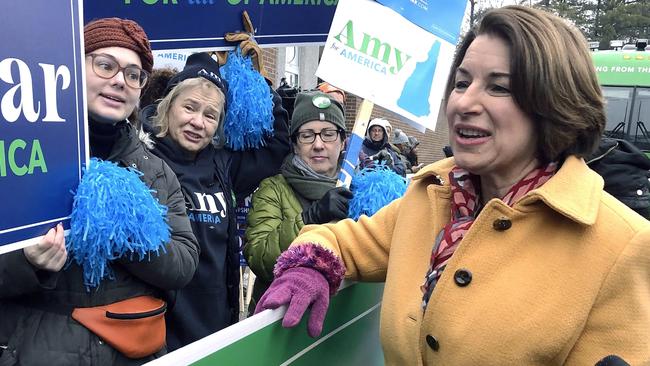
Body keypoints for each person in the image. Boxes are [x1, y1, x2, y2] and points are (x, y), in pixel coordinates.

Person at [255, 6, 650, 365]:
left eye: (498, 87)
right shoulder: (430, 195)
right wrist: (311, 266)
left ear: (554, 103)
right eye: (462, 83)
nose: (463, 103)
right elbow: (341, 241)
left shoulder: (621, 244)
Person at [0, 18, 199, 364]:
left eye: (133, 74)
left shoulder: (156, 171)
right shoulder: (21, 156)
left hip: (131, 351)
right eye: (105, 65)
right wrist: (28, 263)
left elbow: (183, 264)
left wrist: (124, 228)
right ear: (73, 69)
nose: (120, 80)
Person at [141, 52, 290, 350]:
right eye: (189, 107)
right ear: (168, 107)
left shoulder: (223, 165)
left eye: (210, 115)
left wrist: (254, 78)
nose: (198, 122)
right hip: (160, 333)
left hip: (216, 329)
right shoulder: (143, 159)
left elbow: (277, 145)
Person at [244, 91, 352, 308]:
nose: (319, 144)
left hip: (343, 318)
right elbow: (259, 257)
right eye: (307, 135)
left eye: (329, 134)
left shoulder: (360, 191)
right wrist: (310, 218)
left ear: (343, 143)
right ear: (294, 144)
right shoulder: (273, 189)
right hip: (282, 319)